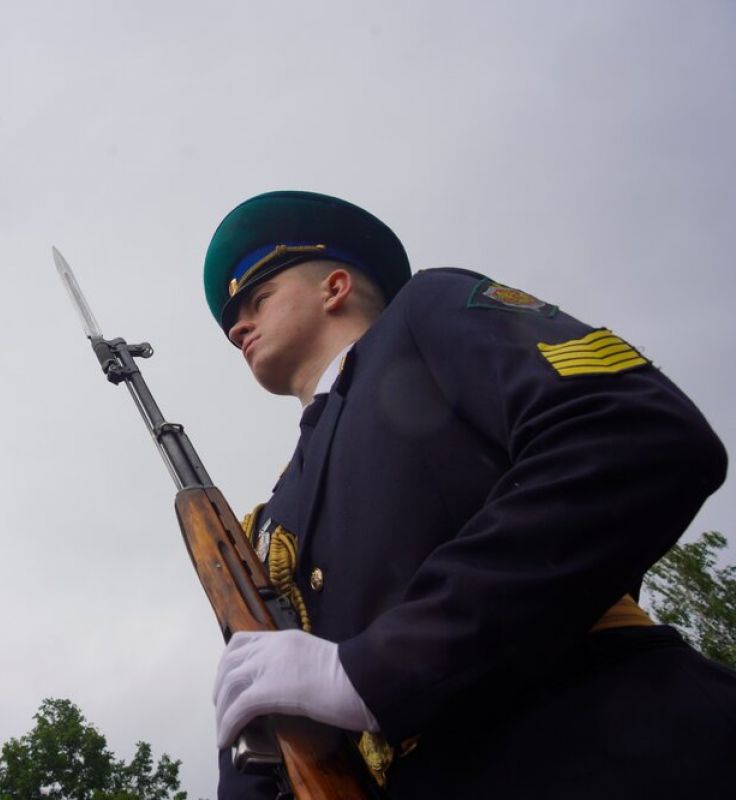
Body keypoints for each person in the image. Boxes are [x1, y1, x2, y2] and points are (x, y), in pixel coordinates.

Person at [204, 190, 736, 799]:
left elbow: (629, 433)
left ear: (336, 287)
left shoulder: (423, 316)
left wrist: (377, 669)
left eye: (258, 297)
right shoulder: (268, 517)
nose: (236, 324)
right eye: (232, 316)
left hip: (609, 749)